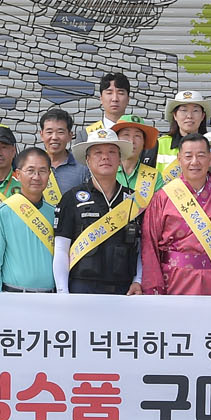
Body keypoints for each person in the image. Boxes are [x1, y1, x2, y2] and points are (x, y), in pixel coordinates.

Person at [141, 132, 211, 296]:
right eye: (188, 156)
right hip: (173, 281)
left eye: (201, 156)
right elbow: (149, 245)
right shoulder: (163, 197)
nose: (194, 162)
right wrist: (153, 287)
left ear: (210, 159)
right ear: (179, 159)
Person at [55, 128, 143, 295]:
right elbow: (61, 249)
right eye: (98, 153)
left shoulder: (133, 200)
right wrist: (62, 292)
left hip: (124, 290)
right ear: (87, 160)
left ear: (120, 159)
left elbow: (141, 248)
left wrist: (138, 281)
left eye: (111, 152)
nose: (105, 157)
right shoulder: (71, 198)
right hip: (82, 288)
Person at [0, 147, 57, 293]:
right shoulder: (2, 213)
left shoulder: (55, 213)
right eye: (30, 171)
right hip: (14, 295)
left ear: (49, 175)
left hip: (50, 297)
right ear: (18, 174)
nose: (36, 177)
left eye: (42, 171)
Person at [159, 90, 211, 182]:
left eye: (195, 111)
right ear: (175, 115)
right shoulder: (159, 145)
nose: (189, 116)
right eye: (184, 110)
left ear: (202, 116)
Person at [39, 108, 84, 205]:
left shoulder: (83, 167)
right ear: (41, 135)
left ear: (70, 136)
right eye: (49, 132)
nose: (54, 137)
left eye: (60, 132)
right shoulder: (33, 165)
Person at [114, 114, 162, 204]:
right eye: (126, 135)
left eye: (137, 136)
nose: (132, 141)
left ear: (144, 142)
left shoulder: (155, 177)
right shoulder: (105, 171)